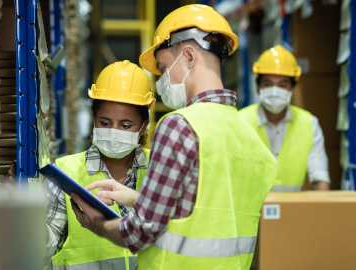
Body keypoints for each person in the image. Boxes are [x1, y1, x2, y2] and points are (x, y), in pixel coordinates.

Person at [68, 4, 277, 270]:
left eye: (163, 67)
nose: (161, 80)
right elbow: (206, 210)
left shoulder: (180, 126)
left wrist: (97, 224)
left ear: (188, 56)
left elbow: (139, 233)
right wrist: (137, 198)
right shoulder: (252, 138)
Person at [2, 60, 156, 270]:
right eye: (105, 122)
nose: (113, 131)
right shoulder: (67, 172)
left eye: (125, 125)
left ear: (143, 125)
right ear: (94, 119)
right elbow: (44, 246)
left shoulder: (161, 168)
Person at [239, 45, 331, 191]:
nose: (275, 91)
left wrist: (323, 210)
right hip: (249, 212)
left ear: (293, 89)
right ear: (258, 87)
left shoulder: (309, 124)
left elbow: (320, 178)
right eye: (268, 84)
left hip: (292, 211)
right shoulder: (239, 121)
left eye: (282, 85)